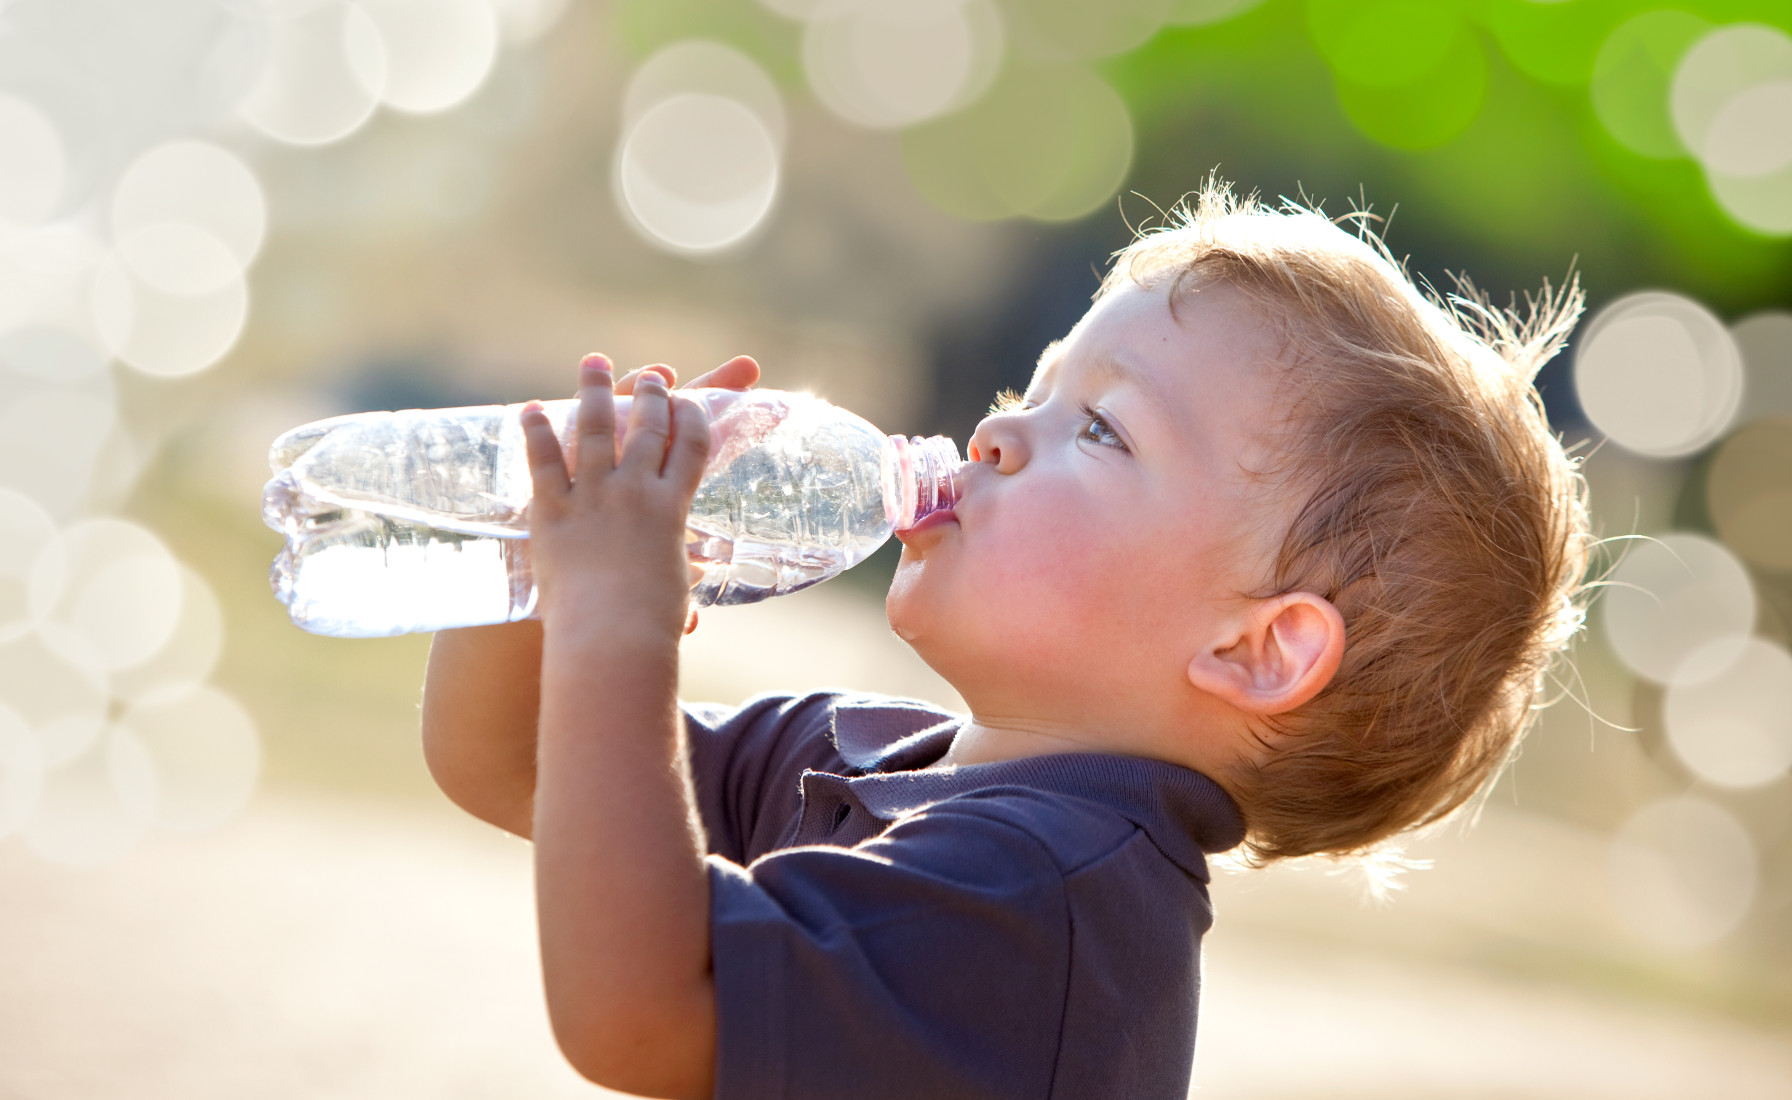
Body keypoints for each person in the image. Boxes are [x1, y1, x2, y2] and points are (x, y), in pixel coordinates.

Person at [419, 181, 1591, 1100]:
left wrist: (620, 624)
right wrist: (545, 562)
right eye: (1031, 387)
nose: (993, 432)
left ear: (1255, 649)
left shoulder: (1046, 896)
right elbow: (513, 755)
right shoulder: (871, 756)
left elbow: (636, 1011)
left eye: (1098, 426)